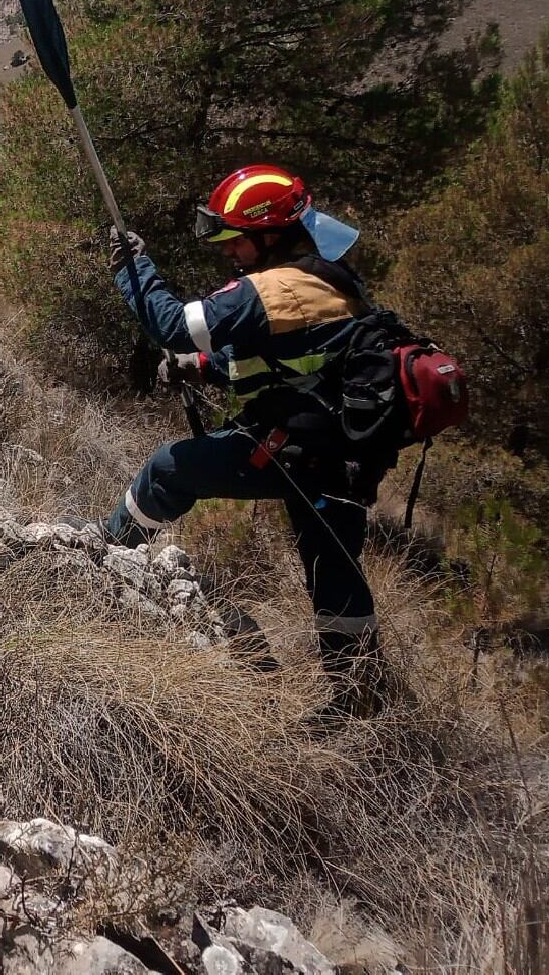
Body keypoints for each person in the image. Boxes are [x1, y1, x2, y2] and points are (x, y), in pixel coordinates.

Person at [93, 164, 392, 718]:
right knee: (334, 574)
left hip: (300, 451)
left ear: (270, 234)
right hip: (344, 456)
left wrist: (134, 268)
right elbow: (292, 361)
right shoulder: (329, 281)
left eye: (238, 241)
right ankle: (362, 703)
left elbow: (174, 324)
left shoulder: (278, 287)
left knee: (168, 470)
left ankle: (106, 562)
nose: (231, 253)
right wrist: (203, 368)